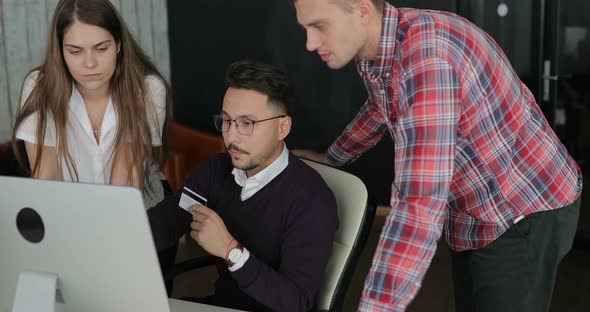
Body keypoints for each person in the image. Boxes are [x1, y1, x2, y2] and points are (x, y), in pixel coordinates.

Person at [290, 0, 583, 311]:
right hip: (474, 210)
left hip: (521, 209)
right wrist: (332, 158)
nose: (310, 43)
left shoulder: (428, 62)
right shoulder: (381, 49)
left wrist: (377, 306)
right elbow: (381, 107)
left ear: (362, 10)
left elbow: (418, 206)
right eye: (305, 28)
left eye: (320, 26)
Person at [11, 0, 175, 293]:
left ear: (119, 45)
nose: (89, 64)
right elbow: (45, 180)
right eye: (75, 51)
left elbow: (125, 185)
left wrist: (95, 260)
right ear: (60, 51)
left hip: (140, 213)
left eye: (102, 49)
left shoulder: (147, 88)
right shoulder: (39, 88)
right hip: (69, 218)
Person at [148, 61, 338, 312]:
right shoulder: (218, 170)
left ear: (283, 127)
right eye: (226, 121)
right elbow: (168, 220)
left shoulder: (312, 200)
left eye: (246, 123)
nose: (231, 136)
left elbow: (297, 303)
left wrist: (230, 250)